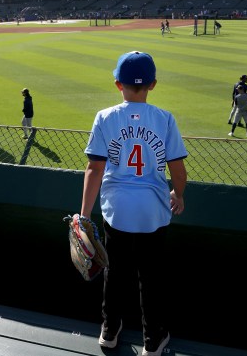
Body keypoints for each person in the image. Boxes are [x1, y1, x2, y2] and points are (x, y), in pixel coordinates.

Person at [80, 51, 187, 356]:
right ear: (152, 84)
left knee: (114, 272)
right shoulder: (165, 118)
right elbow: (178, 171)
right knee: (151, 277)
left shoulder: (105, 116)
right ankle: (152, 341)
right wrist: (178, 195)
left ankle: (109, 331)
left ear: (118, 84)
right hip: (154, 210)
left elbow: (95, 169)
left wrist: (84, 215)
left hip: (117, 211)